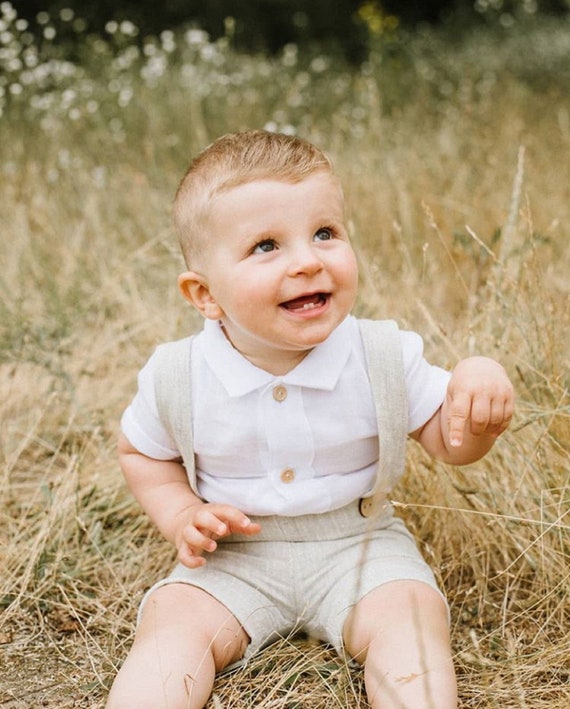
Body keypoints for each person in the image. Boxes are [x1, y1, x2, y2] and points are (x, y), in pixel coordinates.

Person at [106, 130, 514, 709]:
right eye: (266, 246)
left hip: (360, 545)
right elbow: (142, 453)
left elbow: (449, 442)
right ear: (205, 294)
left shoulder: (382, 354)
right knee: (173, 625)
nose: (307, 261)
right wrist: (181, 514)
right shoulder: (179, 373)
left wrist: (476, 404)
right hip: (233, 557)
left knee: (411, 621)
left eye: (325, 233)